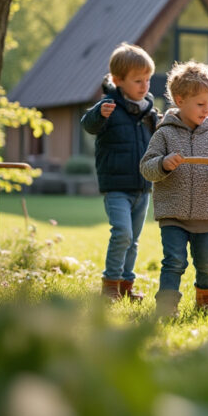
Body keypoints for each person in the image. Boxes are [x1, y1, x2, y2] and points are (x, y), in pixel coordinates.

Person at [140, 61, 208, 317]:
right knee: (174, 261)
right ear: (180, 100)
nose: (206, 110)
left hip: (205, 215)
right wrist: (163, 163)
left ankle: (205, 302)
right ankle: (166, 306)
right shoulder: (163, 135)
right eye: (200, 104)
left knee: (207, 263)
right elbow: (146, 167)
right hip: (173, 213)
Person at [80, 43, 159, 302]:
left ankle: (126, 285)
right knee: (122, 233)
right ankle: (110, 285)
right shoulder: (108, 106)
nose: (144, 86)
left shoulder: (149, 112)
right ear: (117, 80)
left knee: (133, 240)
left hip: (142, 186)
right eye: (138, 80)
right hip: (116, 186)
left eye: (147, 79)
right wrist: (98, 114)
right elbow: (88, 125)